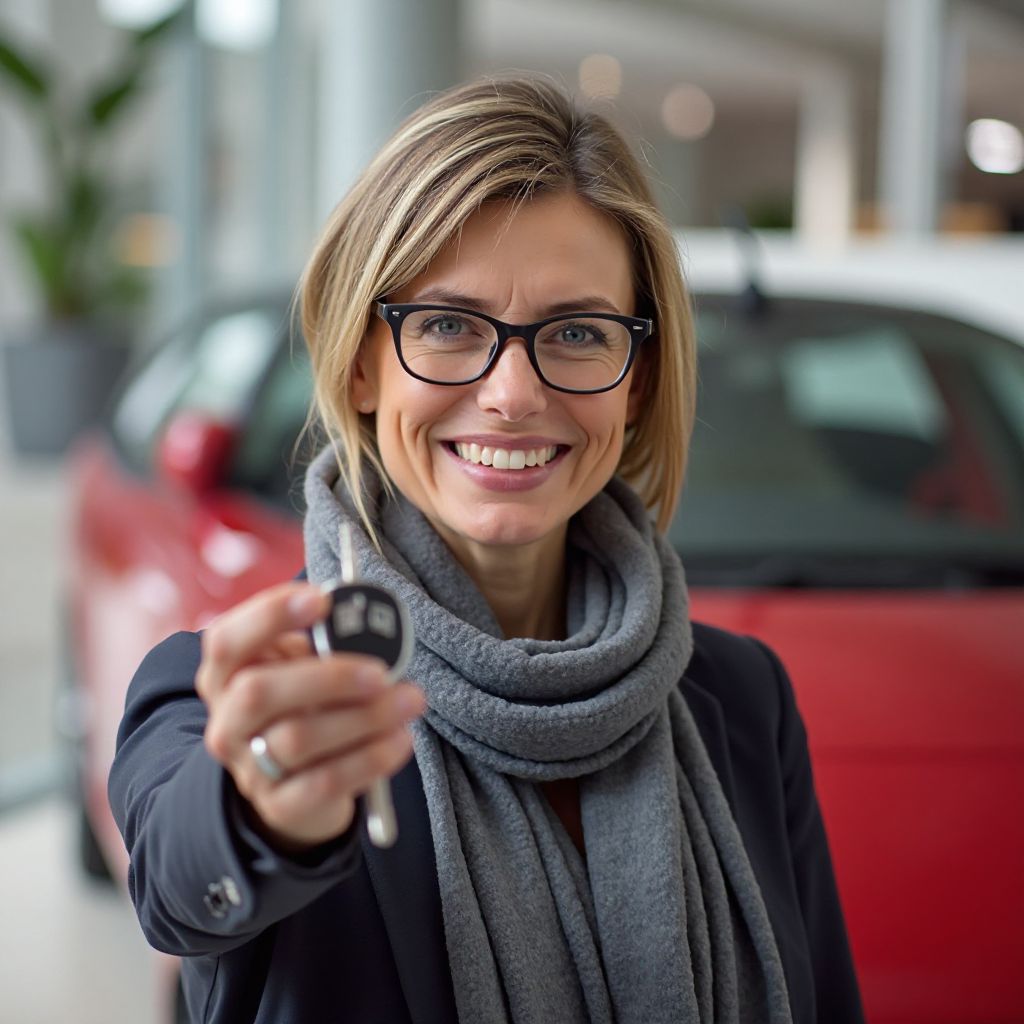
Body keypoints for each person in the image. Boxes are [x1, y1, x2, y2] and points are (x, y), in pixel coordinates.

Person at [108, 76, 865, 1024]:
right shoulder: (241, 693)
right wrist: (258, 809)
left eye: (578, 332)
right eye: (447, 326)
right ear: (361, 363)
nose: (512, 394)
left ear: (637, 380)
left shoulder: (744, 699)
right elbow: (181, 886)